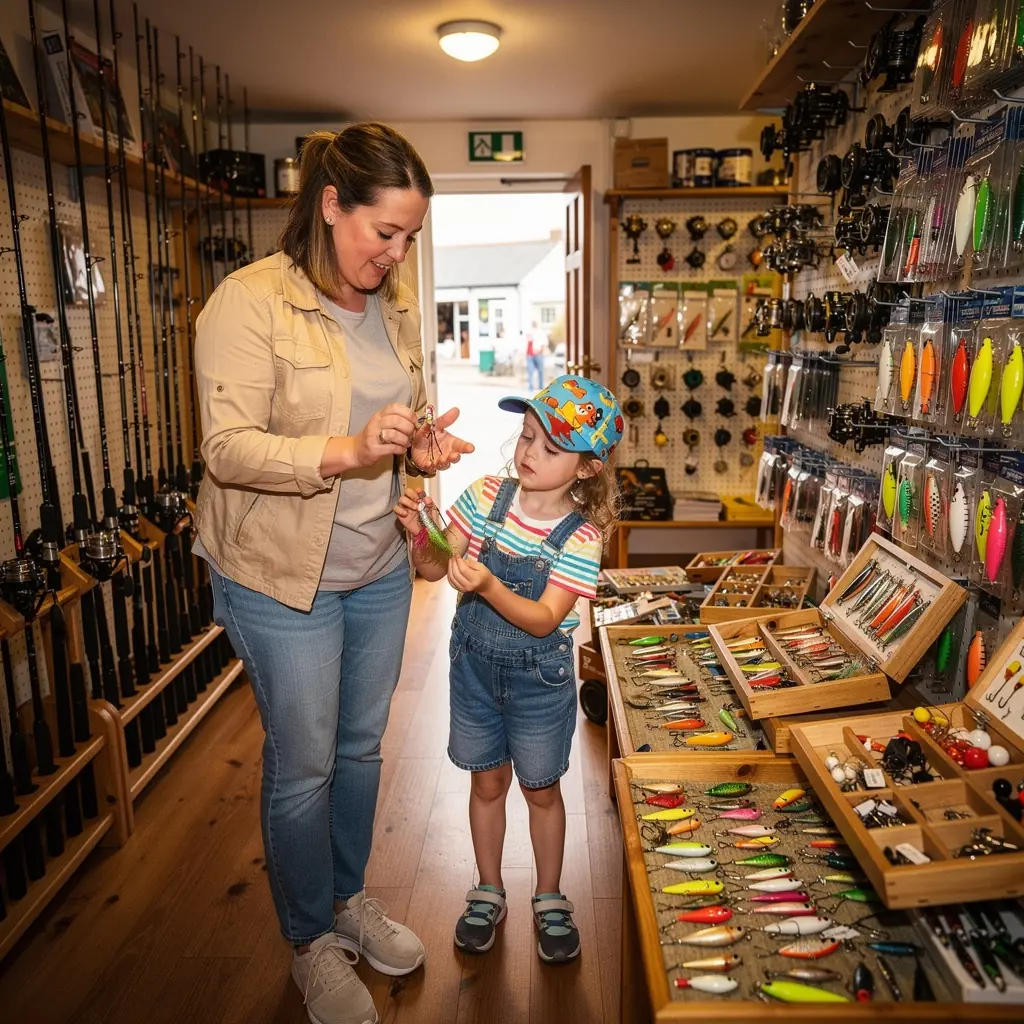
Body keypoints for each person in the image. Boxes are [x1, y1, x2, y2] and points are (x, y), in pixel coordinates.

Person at [192, 122, 473, 1024]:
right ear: (329, 204)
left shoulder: (391, 302)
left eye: (408, 238)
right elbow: (226, 449)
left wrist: (419, 447)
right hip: (280, 577)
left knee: (358, 750)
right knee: (304, 763)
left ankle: (349, 899)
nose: (395, 255)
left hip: (378, 564)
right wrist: (347, 449)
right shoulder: (246, 302)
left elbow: (398, 413)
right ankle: (311, 937)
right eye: (381, 232)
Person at [394, 375, 622, 964]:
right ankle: (488, 889)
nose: (528, 454)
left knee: (541, 790)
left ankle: (549, 896)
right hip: (473, 671)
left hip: (539, 682)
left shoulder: (582, 535)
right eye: (525, 437)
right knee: (486, 782)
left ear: (588, 469)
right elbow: (432, 570)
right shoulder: (484, 494)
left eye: (549, 448)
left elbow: (547, 619)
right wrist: (422, 532)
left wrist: (491, 585)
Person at [525, 321, 546, 391]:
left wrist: (540, 351)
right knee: (530, 371)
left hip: (538, 353)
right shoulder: (529, 332)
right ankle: (530, 387)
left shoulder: (540, 332)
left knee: (540, 370)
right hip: (529, 354)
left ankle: (541, 386)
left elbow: (544, 343)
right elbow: (526, 342)